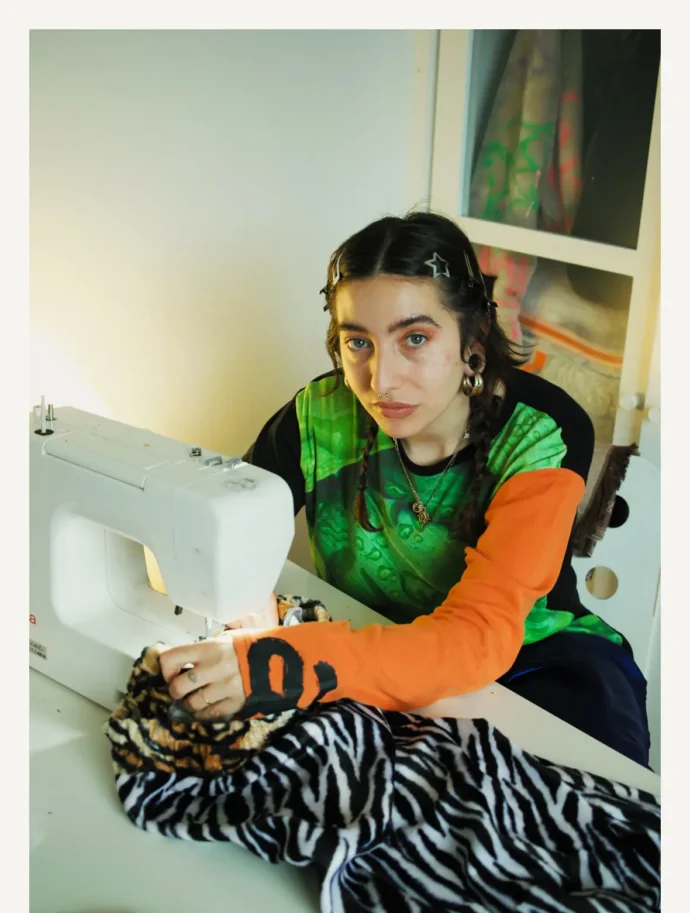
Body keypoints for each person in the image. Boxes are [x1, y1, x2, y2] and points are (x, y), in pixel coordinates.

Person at [160, 212, 651, 767]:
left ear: (472, 338)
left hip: (539, 662)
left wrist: (280, 664)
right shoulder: (317, 416)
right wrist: (244, 599)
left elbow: (476, 641)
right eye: (357, 342)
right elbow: (225, 529)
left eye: (414, 338)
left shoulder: (541, 434)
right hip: (375, 648)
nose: (381, 380)